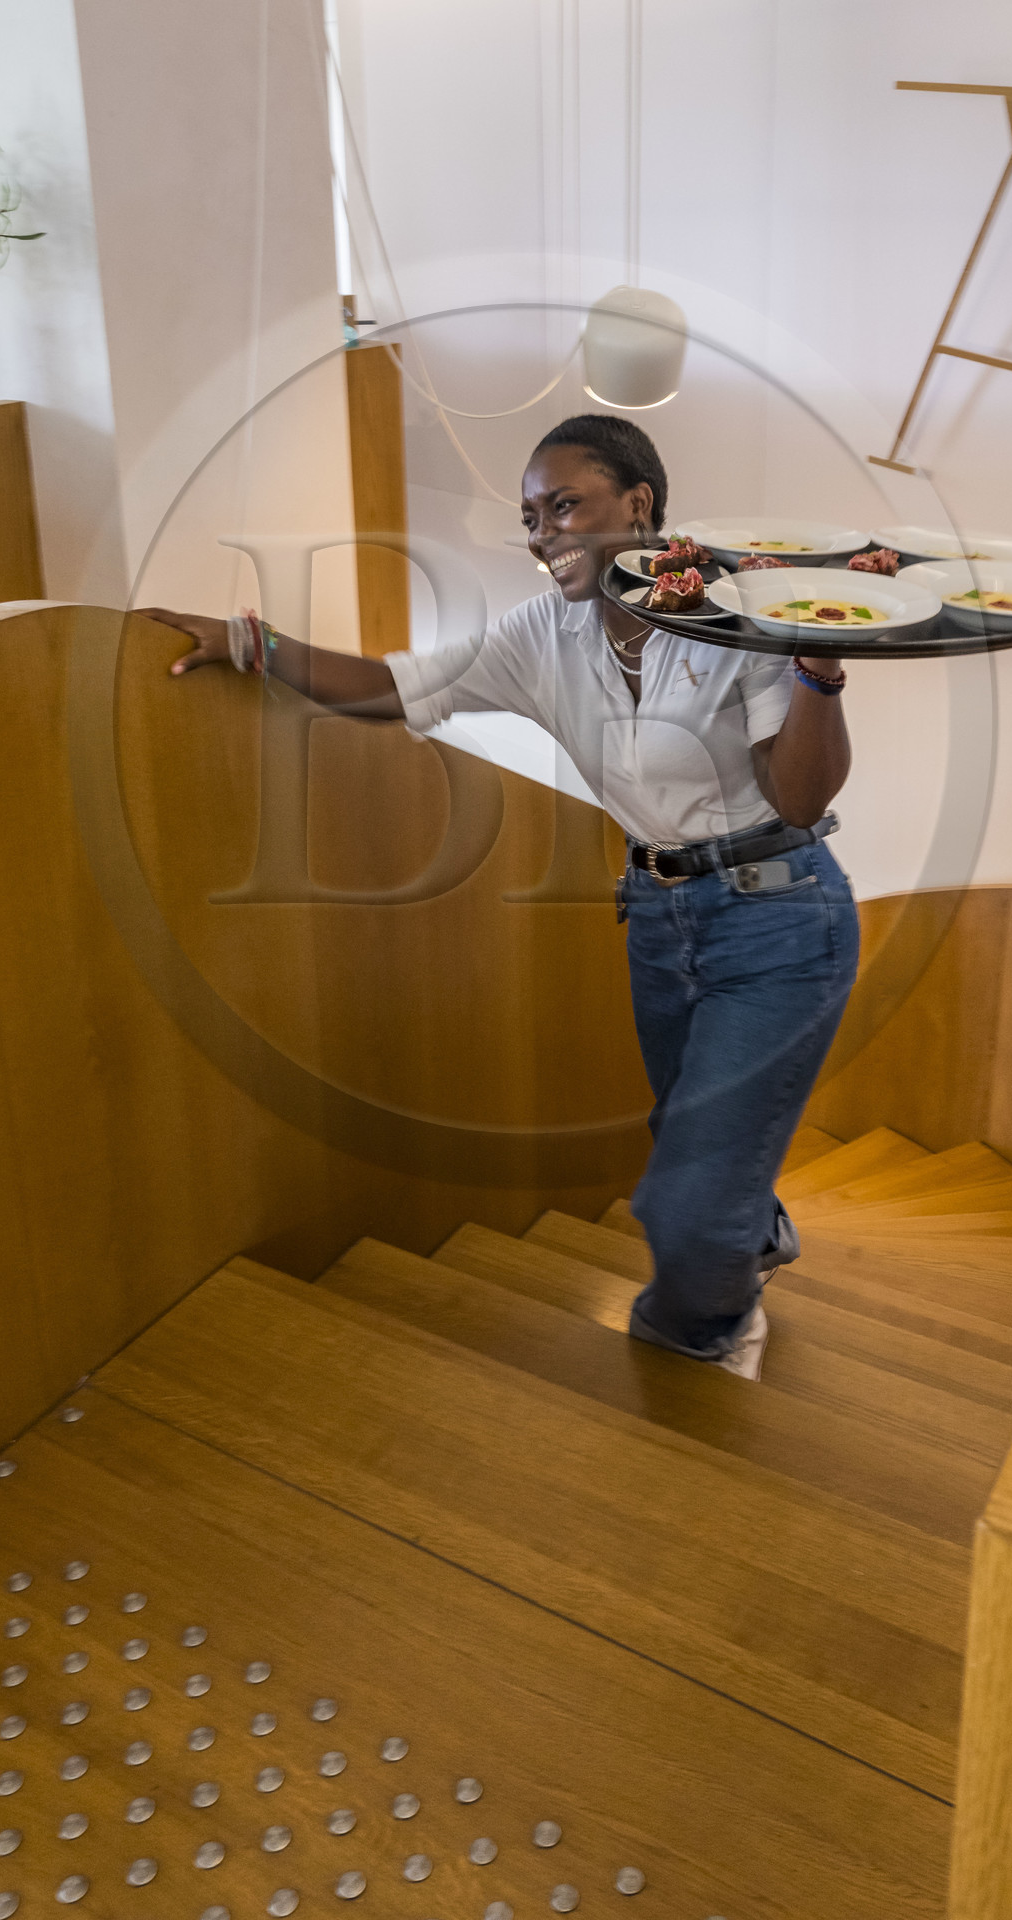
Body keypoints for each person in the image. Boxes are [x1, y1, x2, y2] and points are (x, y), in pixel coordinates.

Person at [148, 412, 860, 1382]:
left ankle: (694, 1344)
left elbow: (801, 793)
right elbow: (396, 687)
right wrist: (249, 642)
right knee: (690, 1136)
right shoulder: (544, 634)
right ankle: (752, 1230)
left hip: (779, 917)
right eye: (530, 516)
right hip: (658, 917)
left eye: (562, 505)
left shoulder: (736, 613)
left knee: (688, 1198)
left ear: (637, 504)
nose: (540, 535)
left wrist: (818, 669)